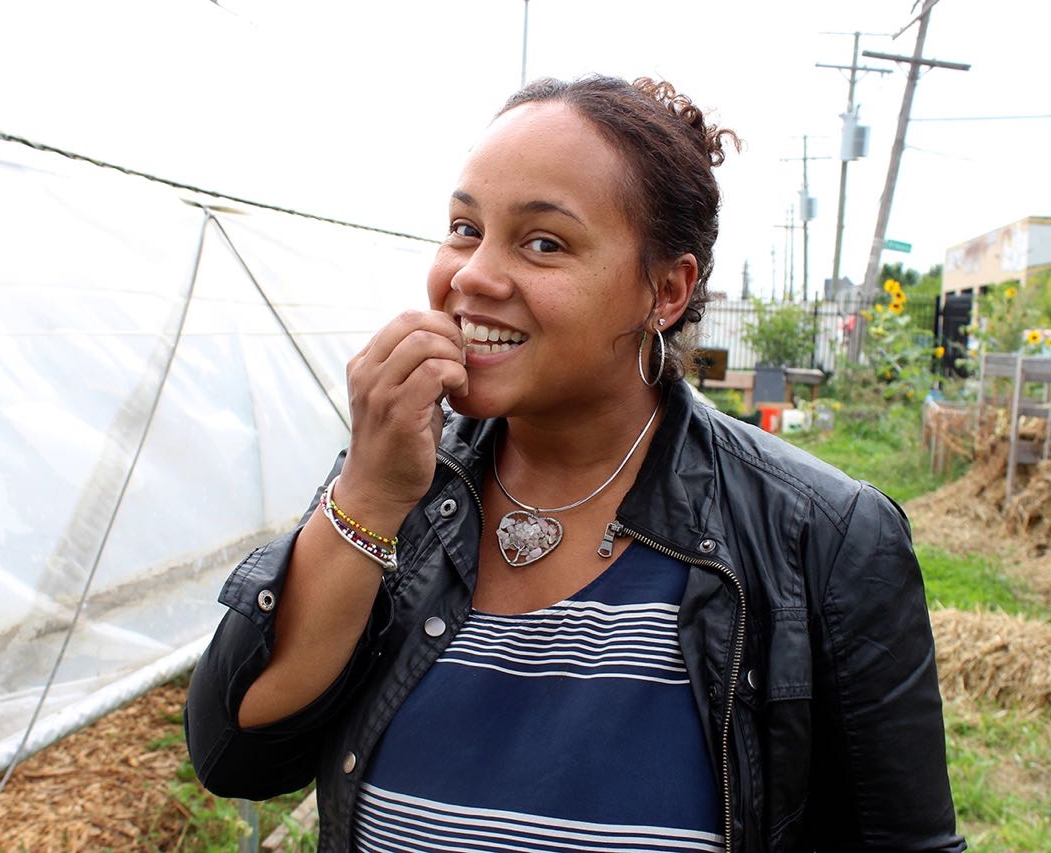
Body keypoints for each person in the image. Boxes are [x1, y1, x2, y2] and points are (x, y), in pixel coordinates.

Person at [185, 75, 965, 853]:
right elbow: (239, 751)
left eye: (544, 242)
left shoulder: (822, 538)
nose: (472, 275)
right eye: (464, 228)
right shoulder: (404, 487)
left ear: (665, 290)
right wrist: (369, 492)